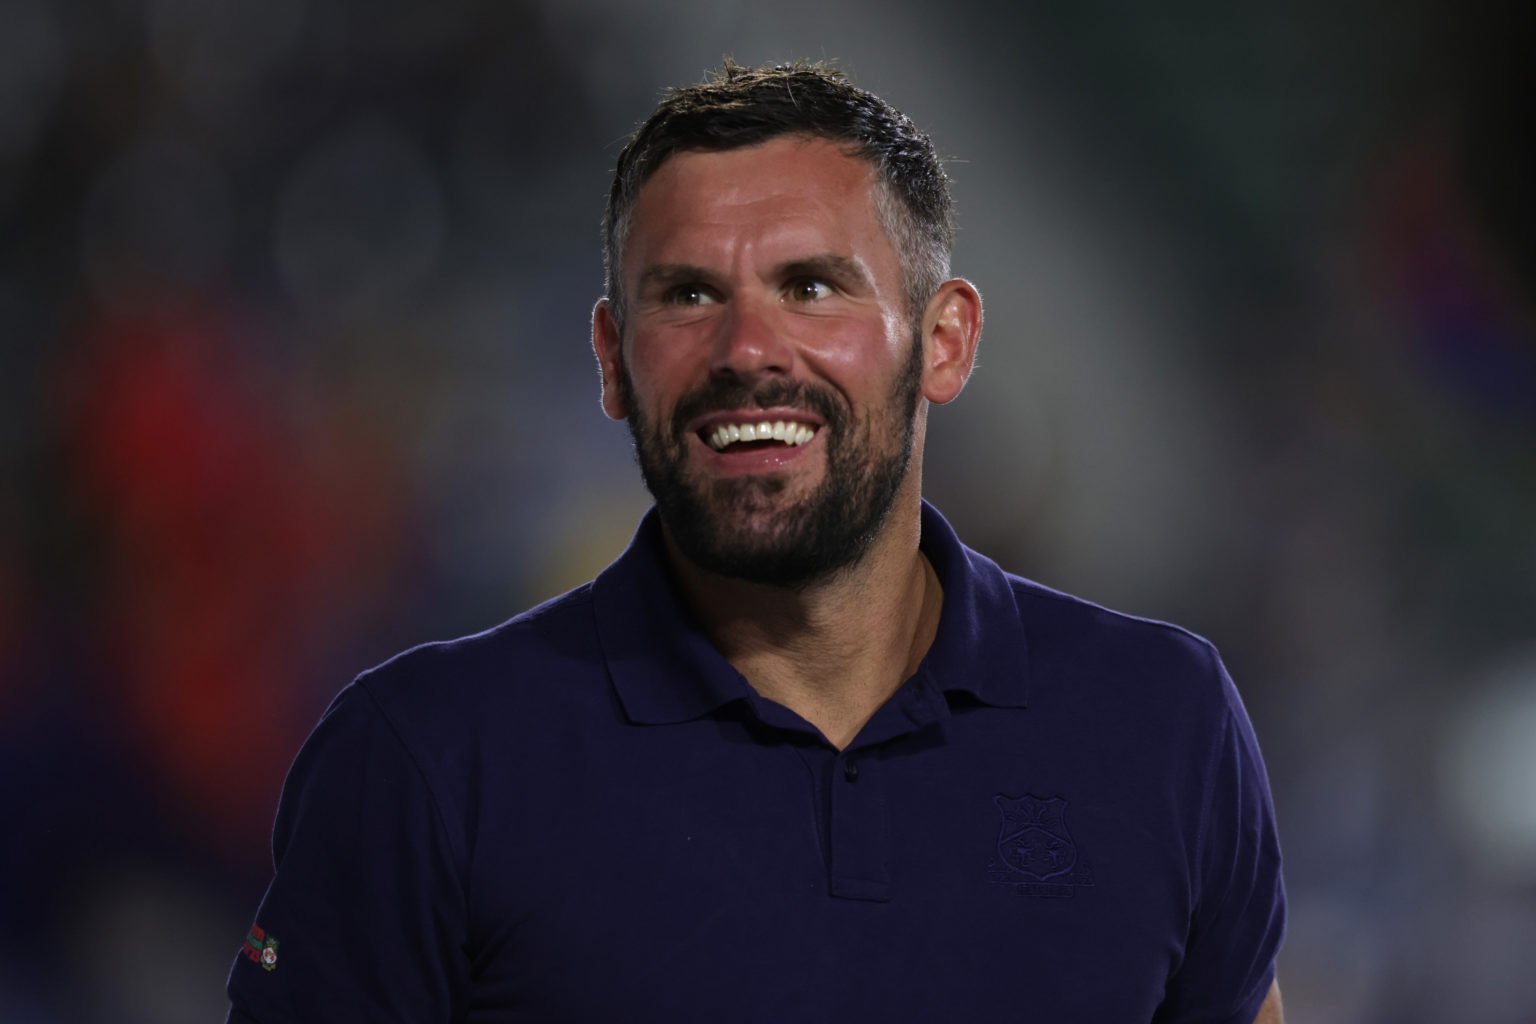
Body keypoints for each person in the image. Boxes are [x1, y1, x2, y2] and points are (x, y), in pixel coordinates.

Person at [227, 61, 1285, 1023]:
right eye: (688, 294)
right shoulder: (425, 759)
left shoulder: (1163, 723)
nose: (745, 350)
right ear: (610, 357)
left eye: (811, 287)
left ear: (945, 342)